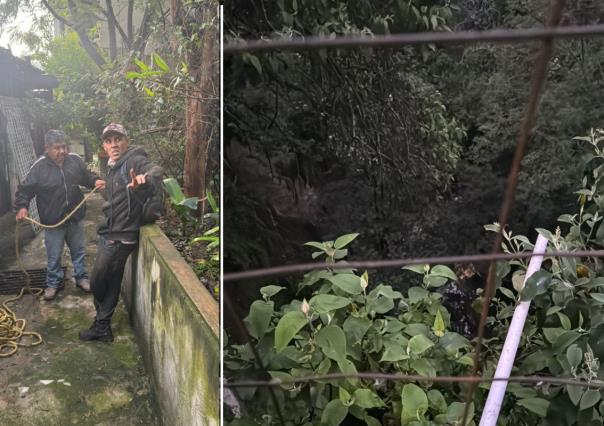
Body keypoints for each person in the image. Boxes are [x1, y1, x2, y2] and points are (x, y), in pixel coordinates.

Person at [79, 123, 162, 342]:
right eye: (109, 141)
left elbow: (155, 170)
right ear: (104, 146)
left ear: (126, 141)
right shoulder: (114, 165)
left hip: (121, 235)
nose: (114, 144)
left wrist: (145, 179)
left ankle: (102, 322)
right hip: (111, 230)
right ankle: (103, 326)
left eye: (118, 139)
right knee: (113, 280)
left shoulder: (133, 160)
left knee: (97, 281)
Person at [15, 129, 105, 301]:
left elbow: (86, 176)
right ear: (47, 148)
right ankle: (53, 283)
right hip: (53, 221)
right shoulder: (39, 167)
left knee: (78, 251)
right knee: (54, 255)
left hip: (75, 216)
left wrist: (94, 181)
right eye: (57, 148)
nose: (62, 151)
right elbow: (25, 190)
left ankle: (81, 278)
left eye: (64, 147)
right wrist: (22, 207)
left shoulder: (74, 161)